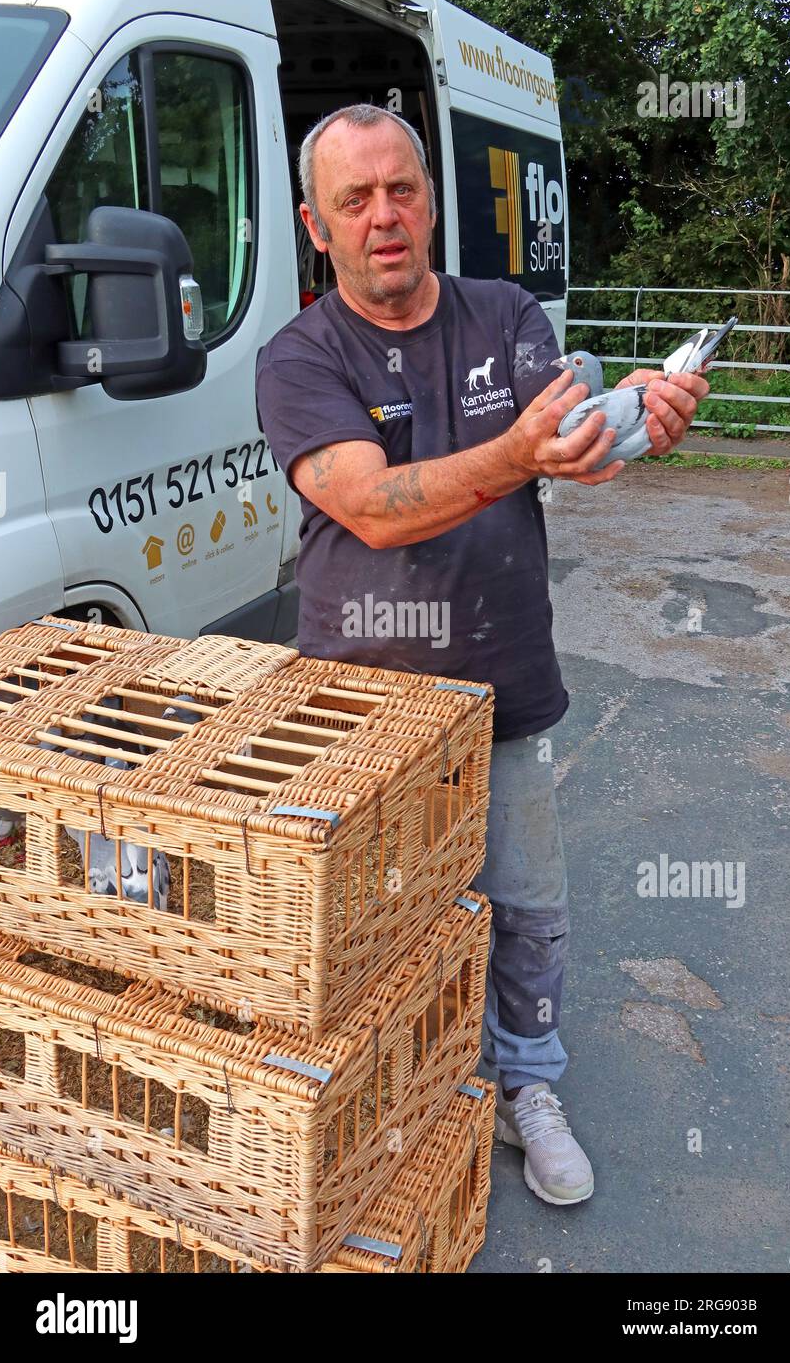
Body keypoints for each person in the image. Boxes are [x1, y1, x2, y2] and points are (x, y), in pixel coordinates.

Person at [255, 104, 709, 1206]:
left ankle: (525, 1088)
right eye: (353, 200)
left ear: (430, 196)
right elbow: (368, 506)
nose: (383, 216)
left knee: (525, 908)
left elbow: (569, 451)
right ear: (317, 225)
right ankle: (376, 1100)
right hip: (361, 707)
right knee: (364, 925)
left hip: (504, 684)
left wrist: (637, 422)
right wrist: (511, 451)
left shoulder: (506, 315)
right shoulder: (297, 355)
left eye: (400, 188)